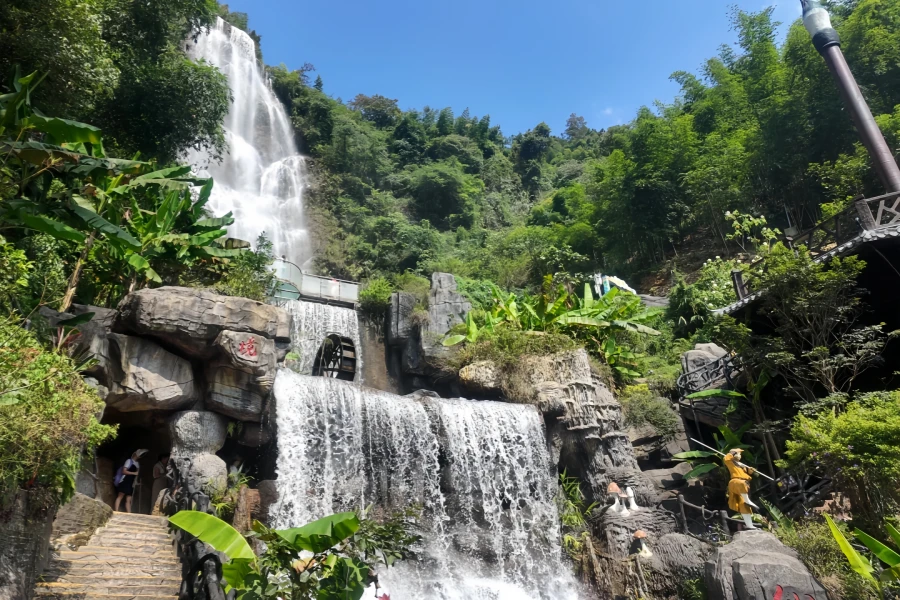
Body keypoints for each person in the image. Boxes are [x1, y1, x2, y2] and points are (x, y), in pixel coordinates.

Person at [724, 448, 759, 530]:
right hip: (735, 482)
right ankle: (747, 500)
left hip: (744, 484)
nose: (740, 456)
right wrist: (733, 453)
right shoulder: (730, 462)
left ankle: (749, 525)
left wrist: (750, 470)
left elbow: (749, 473)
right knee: (742, 484)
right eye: (739, 454)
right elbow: (726, 458)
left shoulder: (741, 465)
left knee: (744, 506)